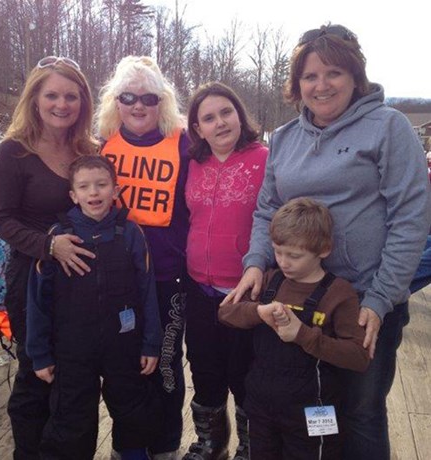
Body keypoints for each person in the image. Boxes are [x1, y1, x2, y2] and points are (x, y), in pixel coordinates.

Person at [223, 24, 431, 460]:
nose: (321, 85)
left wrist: (380, 298)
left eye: (333, 73)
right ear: (297, 85)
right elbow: (267, 209)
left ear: (356, 76)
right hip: (297, 294)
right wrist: (257, 262)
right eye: (309, 76)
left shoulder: (388, 128)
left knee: (360, 410)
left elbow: (410, 219)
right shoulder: (284, 139)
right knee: (306, 408)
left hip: (361, 300)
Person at [0, 55, 98, 459]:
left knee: (77, 374)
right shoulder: (13, 152)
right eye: (52, 94)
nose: (62, 104)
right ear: (35, 98)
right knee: (38, 370)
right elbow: (1, 220)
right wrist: (49, 246)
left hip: (81, 281)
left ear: (83, 102)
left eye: (71, 96)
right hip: (33, 278)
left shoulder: (87, 149)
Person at [25, 155, 163, 460]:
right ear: (73, 195)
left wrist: (151, 343)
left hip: (123, 344)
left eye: (101, 185)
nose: (94, 193)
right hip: (73, 348)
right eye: (85, 187)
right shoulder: (58, 238)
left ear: (115, 189)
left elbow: (147, 290)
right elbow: (38, 299)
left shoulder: (130, 233)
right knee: (71, 419)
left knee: (132, 411)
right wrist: (39, 353)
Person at [219, 197, 370, 459]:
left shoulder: (339, 294)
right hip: (262, 406)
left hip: (313, 412)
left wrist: (302, 335)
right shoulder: (270, 280)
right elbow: (225, 312)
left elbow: (359, 357)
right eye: (278, 251)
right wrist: (258, 312)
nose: (284, 262)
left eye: (294, 255)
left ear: (324, 249)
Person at [95, 55, 189, 460]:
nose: (137, 105)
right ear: (115, 101)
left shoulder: (183, 142)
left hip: (169, 276)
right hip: (118, 278)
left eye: (148, 98)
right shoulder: (104, 145)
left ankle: (165, 446)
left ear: (161, 102)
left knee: (166, 364)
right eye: (127, 96)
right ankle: (128, 444)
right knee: (124, 366)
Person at [182, 81, 268, 460]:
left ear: (239, 114)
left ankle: (250, 448)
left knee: (246, 376)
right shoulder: (193, 164)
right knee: (204, 371)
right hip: (198, 289)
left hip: (247, 292)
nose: (220, 123)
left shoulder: (265, 158)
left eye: (226, 112)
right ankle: (210, 443)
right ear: (197, 128)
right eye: (209, 118)